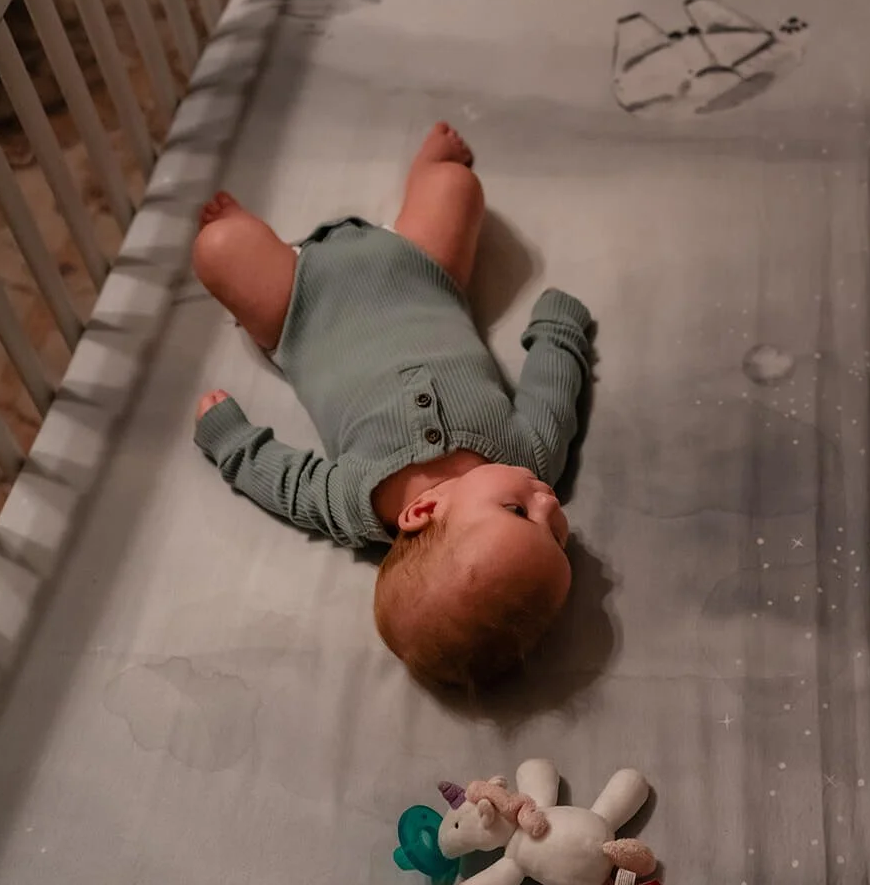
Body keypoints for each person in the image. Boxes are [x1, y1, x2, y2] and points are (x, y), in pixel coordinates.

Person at [190, 122, 593, 695]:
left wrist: (230, 440)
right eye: (557, 537)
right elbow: (553, 390)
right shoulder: (531, 456)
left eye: (520, 513)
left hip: (301, 306)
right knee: (455, 185)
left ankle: (264, 248)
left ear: (421, 511)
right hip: (420, 269)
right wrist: (560, 328)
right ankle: (425, 170)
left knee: (218, 247)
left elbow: (285, 482)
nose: (549, 504)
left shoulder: (353, 499)